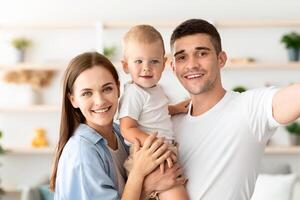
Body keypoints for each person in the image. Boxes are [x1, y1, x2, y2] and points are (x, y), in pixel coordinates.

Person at [170, 18, 300, 200]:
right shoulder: (167, 122)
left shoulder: (249, 108)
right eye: (182, 57)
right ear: (173, 67)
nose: (191, 64)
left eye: (201, 54)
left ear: (221, 59)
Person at [49, 52, 186, 200]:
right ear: (73, 100)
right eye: (87, 93)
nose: (100, 101)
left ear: (118, 88)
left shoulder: (119, 133)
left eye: (107, 89)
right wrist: (142, 179)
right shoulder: (82, 153)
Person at [119, 25, 189, 200]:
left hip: (161, 151)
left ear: (164, 64)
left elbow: (156, 112)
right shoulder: (134, 93)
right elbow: (127, 128)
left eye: (154, 61)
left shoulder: (155, 89)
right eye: (139, 61)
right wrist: (153, 143)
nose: (146, 68)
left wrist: (176, 108)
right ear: (126, 66)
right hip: (148, 154)